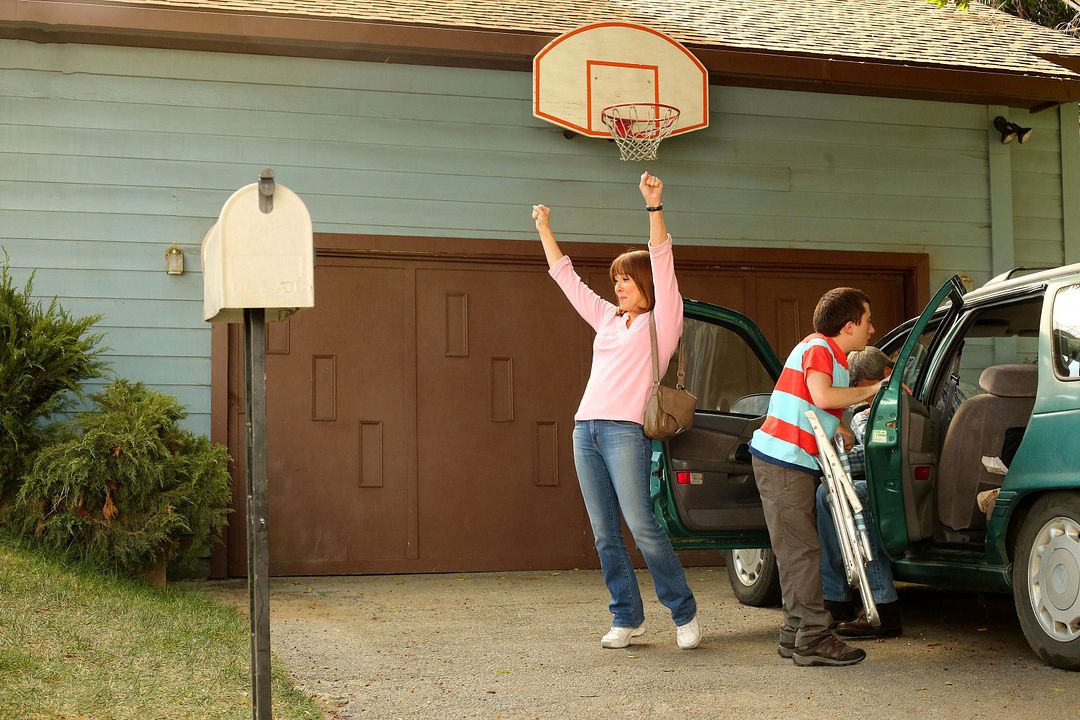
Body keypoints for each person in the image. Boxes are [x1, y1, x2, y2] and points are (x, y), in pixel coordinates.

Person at [531, 172, 701, 651]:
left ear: (645, 283)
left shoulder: (665, 320)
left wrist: (654, 207)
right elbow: (567, 280)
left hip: (627, 431)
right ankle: (627, 616)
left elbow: (663, 259)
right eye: (616, 280)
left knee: (643, 526)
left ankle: (684, 612)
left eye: (626, 279)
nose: (618, 286)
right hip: (585, 430)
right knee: (605, 533)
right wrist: (545, 228)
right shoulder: (607, 318)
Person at [748, 288, 882, 667]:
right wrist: (871, 390)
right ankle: (814, 637)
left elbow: (816, 401)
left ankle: (795, 632)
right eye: (868, 321)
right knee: (802, 553)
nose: (872, 329)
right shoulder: (820, 347)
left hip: (786, 462)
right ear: (849, 325)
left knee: (795, 552)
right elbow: (822, 396)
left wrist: (840, 428)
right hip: (783, 461)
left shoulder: (833, 357)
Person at [816, 346, 902, 638]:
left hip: (897, 486)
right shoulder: (943, 393)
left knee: (844, 495)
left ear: (886, 376)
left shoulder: (873, 412)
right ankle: (838, 598)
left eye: (860, 388)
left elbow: (873, 456)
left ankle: (875, 603)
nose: (857, 397)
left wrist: (830, 448)